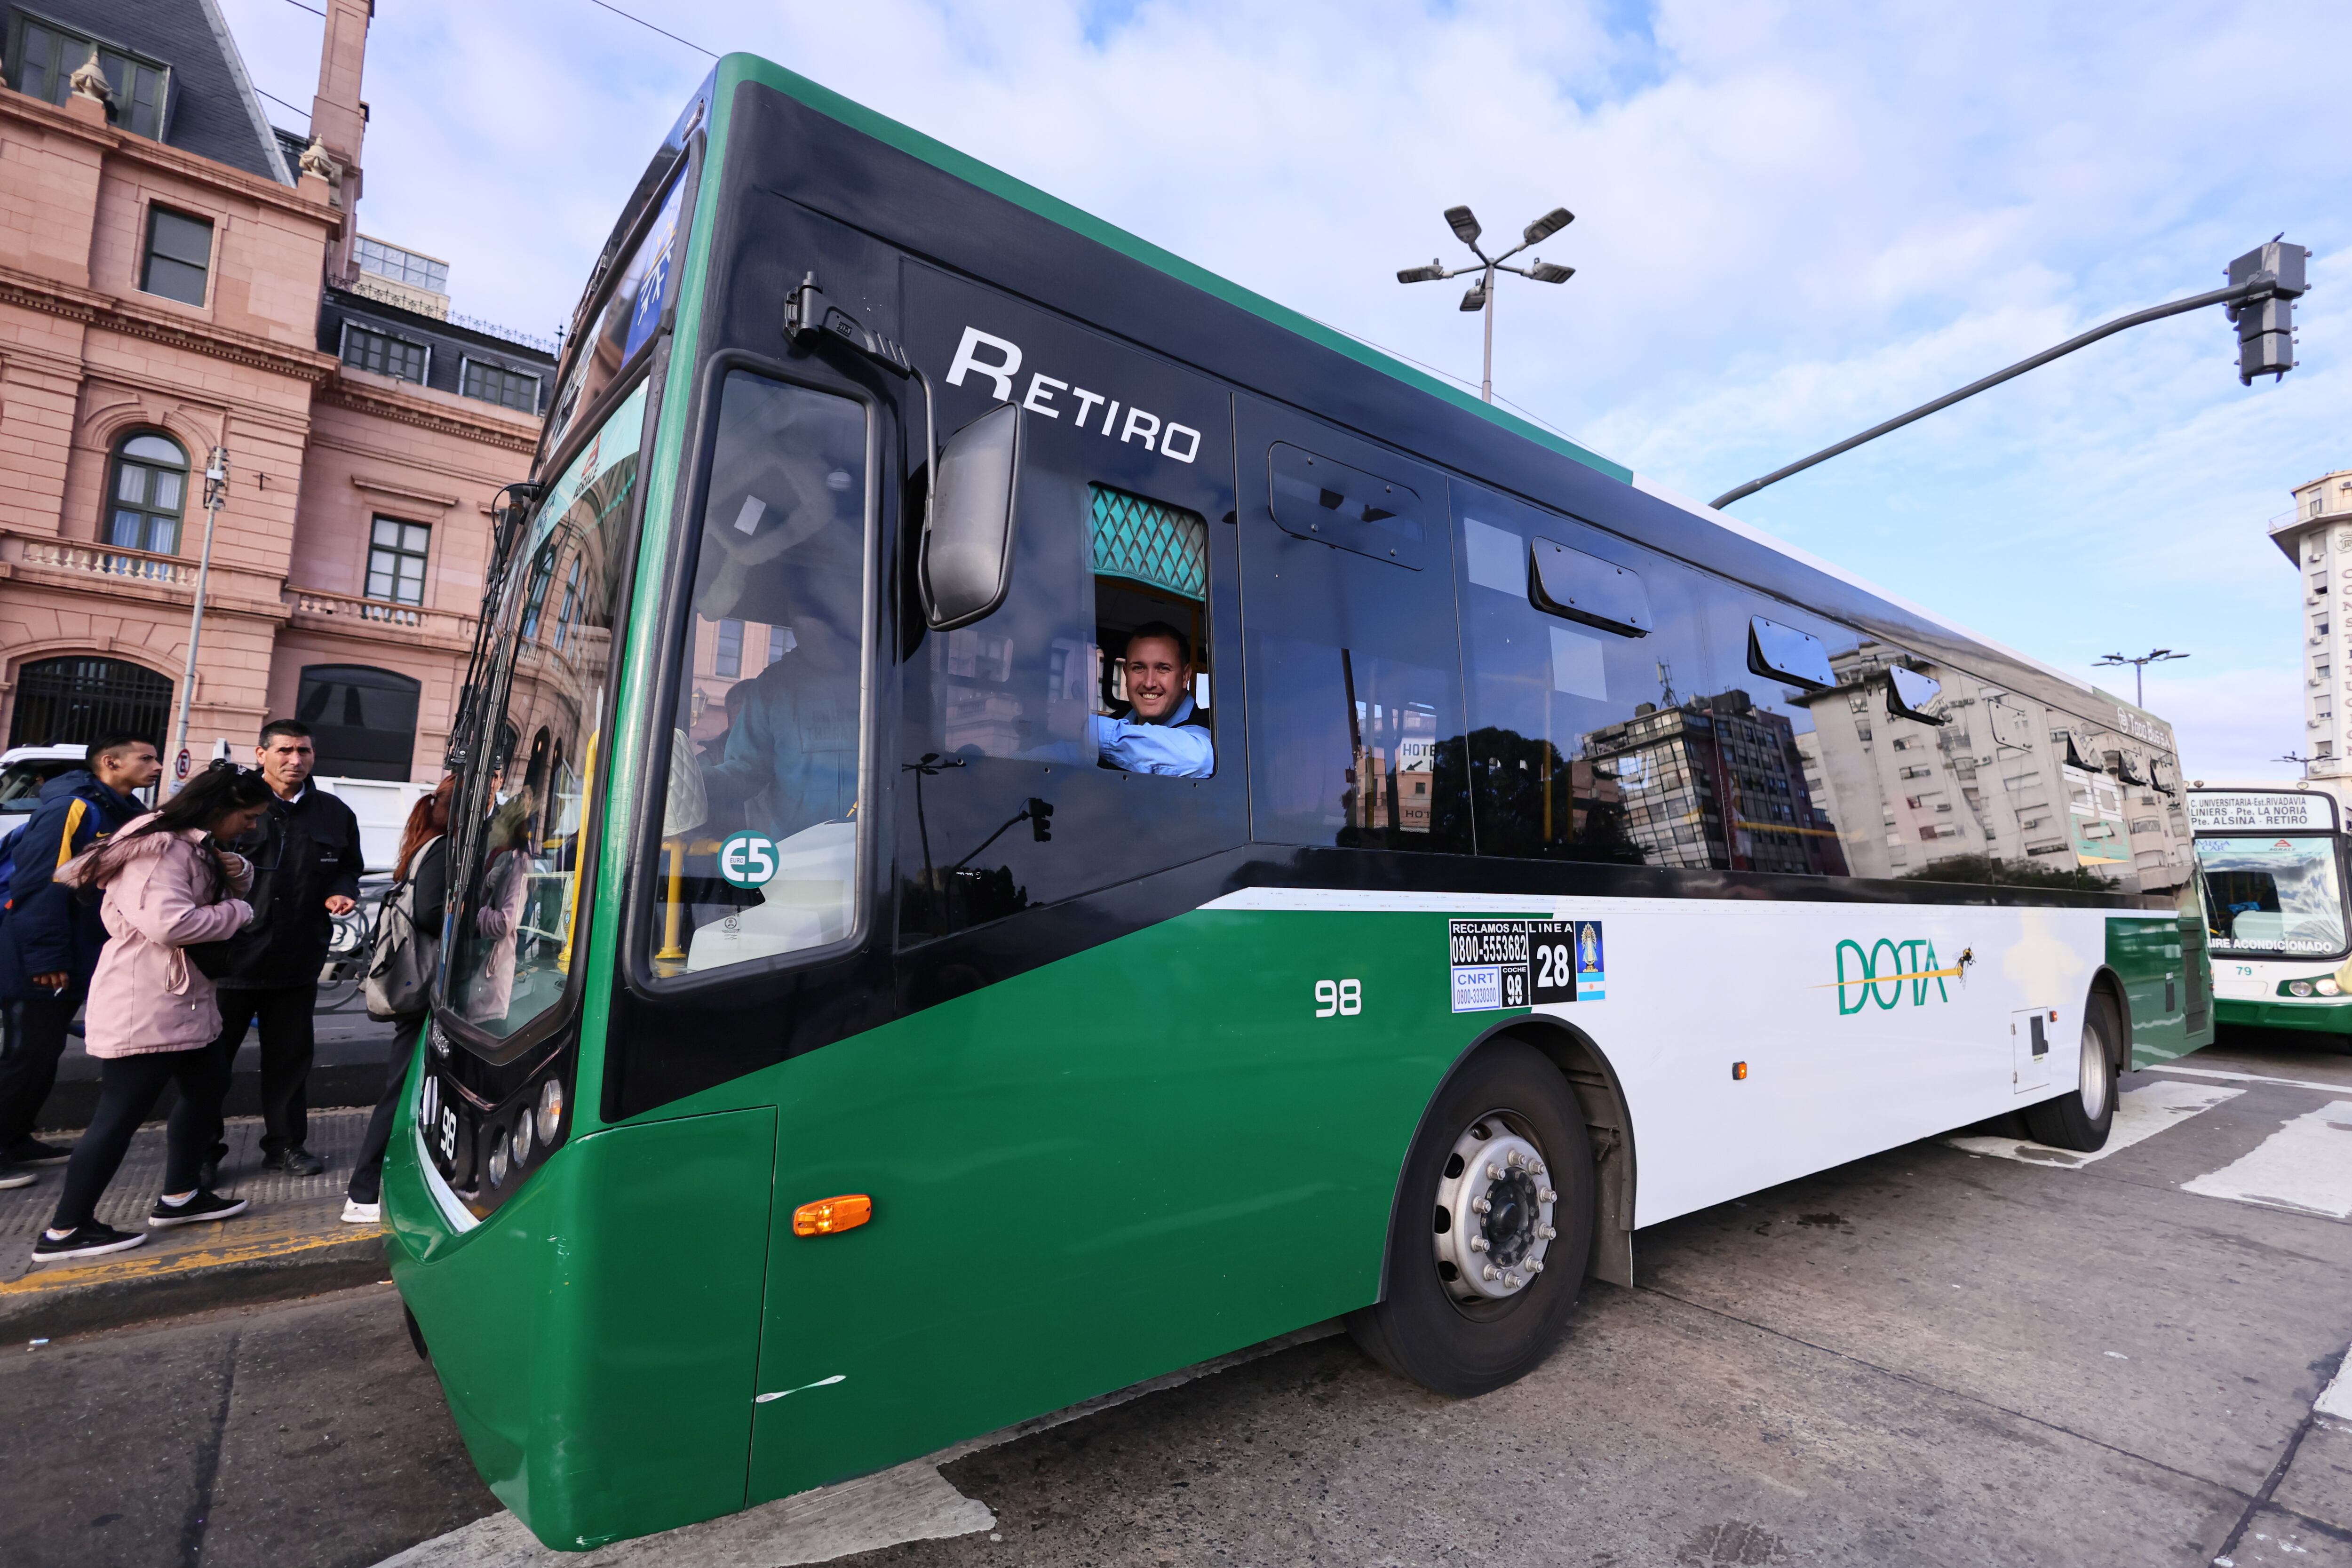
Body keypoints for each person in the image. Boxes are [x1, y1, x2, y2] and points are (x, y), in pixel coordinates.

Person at [30, 762, 270, 1264]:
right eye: (247, 817)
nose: (251, 827)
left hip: (183, 997)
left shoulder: (190, 841)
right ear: (221, 808)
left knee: (208, 1087)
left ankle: (181, 1195)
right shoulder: (159, 847)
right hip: (147, 1000)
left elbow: (206, 891)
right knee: (119, 1115)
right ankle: (66, 1229)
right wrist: (240, 913)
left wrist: (239, 873)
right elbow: (170, 923)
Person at [0, 732, 162, 1188]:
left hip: (73, 955)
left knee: (44, 1053)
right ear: (110, 763)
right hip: (39, 958)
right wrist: (46, 958)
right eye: (145, 759)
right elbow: (39, 885)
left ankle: (16, 1137)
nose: (155, 767)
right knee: (23, 1056)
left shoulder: (126, 812)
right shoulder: (73, 808)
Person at [207, 720, 364, 1178]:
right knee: (211, 1065)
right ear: (261, 754)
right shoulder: (232, 806)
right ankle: (201, 1153)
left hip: (297, 959)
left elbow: (348, 867)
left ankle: (286, 1145)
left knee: (291, 1063)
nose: (295, 760)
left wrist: (339, 890)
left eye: (304, 752)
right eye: (285, 751)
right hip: (232, 960)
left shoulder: (334, 812)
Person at [344, 777, 452, 1225]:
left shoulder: (425, 841)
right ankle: (363, 1191)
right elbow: (430, 914)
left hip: (413, 982)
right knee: (404, 1087)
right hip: (423, 986)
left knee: (408, 1085)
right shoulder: (445, 848)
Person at [1089, 622, 1214, 778]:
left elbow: (1199, 760)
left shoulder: (1211, 727)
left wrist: (1084, 729)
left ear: (1185, 676)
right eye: (1139, 668)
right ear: (1126, 673)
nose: (1149, 683)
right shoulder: (1115, 721)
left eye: (1163, 669)